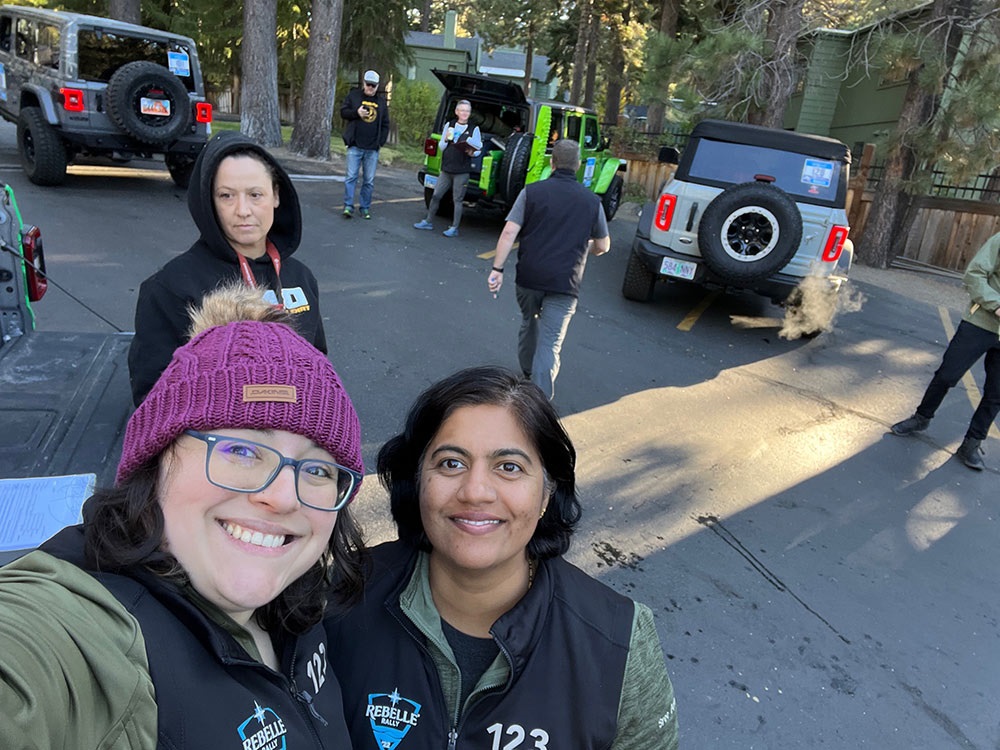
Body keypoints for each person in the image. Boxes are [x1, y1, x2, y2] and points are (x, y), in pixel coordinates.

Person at [0, 284, 366, 748]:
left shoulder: (300, 600)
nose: (283, 497)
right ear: (155, 464)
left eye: (316, 468)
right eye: (241, 449)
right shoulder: (87, 634)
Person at [325, 365, 678, 750]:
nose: (475, 491)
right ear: (418, 481)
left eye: (509, 467)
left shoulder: (618, 642)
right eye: (451, 463)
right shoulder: (342, 595)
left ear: (546, 494)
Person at [128, 130, 327, 406]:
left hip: (292, 440)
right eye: (226, 196)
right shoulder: (170, 287)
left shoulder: (301, 278)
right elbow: (153, 400)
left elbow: (320, 371)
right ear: (209, 201)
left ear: (276, 196)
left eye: (255, 194)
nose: (243, 210)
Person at [487, 138, 611, 399]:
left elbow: (510, 230)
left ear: (552, 163)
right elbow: (603, 245)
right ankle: (538, 399)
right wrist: (585, 248)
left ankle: (527, 370)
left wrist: (497, 269)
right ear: (577, 166)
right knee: (550, 342)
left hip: (529, 277)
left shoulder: (532, 192)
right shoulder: (591, 202)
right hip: (565, 283)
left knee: (528, 320)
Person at [891, 232, 1000, 470]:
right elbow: (974, 274)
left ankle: (971, 444)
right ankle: (921, 418)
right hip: (980, 323)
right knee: (947, 375)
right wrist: (997, 304)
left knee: (996, 394)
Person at [414, 99, 483, 237]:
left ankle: (454, 227)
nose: (465, 113)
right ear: (457, 112)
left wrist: (473, 152)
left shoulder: (474, 128)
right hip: (446, 169)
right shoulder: (450, 125)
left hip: (462, 171)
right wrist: (445, 138)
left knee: (457, 199)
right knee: (436, 195)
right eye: (462, 110)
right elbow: (441, 147)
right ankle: (428, 221)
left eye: (467, 111)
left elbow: (478, 148)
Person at [340, 69, 390, 220]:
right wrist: (357, 113)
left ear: (377, 86)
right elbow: (343, 112)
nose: (370, 88)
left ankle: (365, 207)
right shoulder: (354, 96)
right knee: (351, 177)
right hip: (355, 145)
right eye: (368, 85)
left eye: (373, 86)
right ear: (364, 83)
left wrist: (379, 142)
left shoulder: (381, 103)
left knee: (369, 181)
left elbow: (385, 124)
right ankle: (348, 206)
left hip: (372, 148)